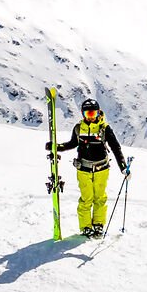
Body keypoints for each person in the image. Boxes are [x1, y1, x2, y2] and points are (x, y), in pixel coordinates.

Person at [50, 97, 127, 238]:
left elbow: (115, 147)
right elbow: (72, 143)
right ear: (83, 114)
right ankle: (86, 227)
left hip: (101, 169)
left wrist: (123, 166)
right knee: (86, 199)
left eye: (93, 114)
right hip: (83, 169)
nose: (91, 117)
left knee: (100, 198)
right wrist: (57, 147)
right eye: (87, 114)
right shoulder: (79, 128)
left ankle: (98, 225)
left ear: (98, 113)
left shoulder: (104, 128)